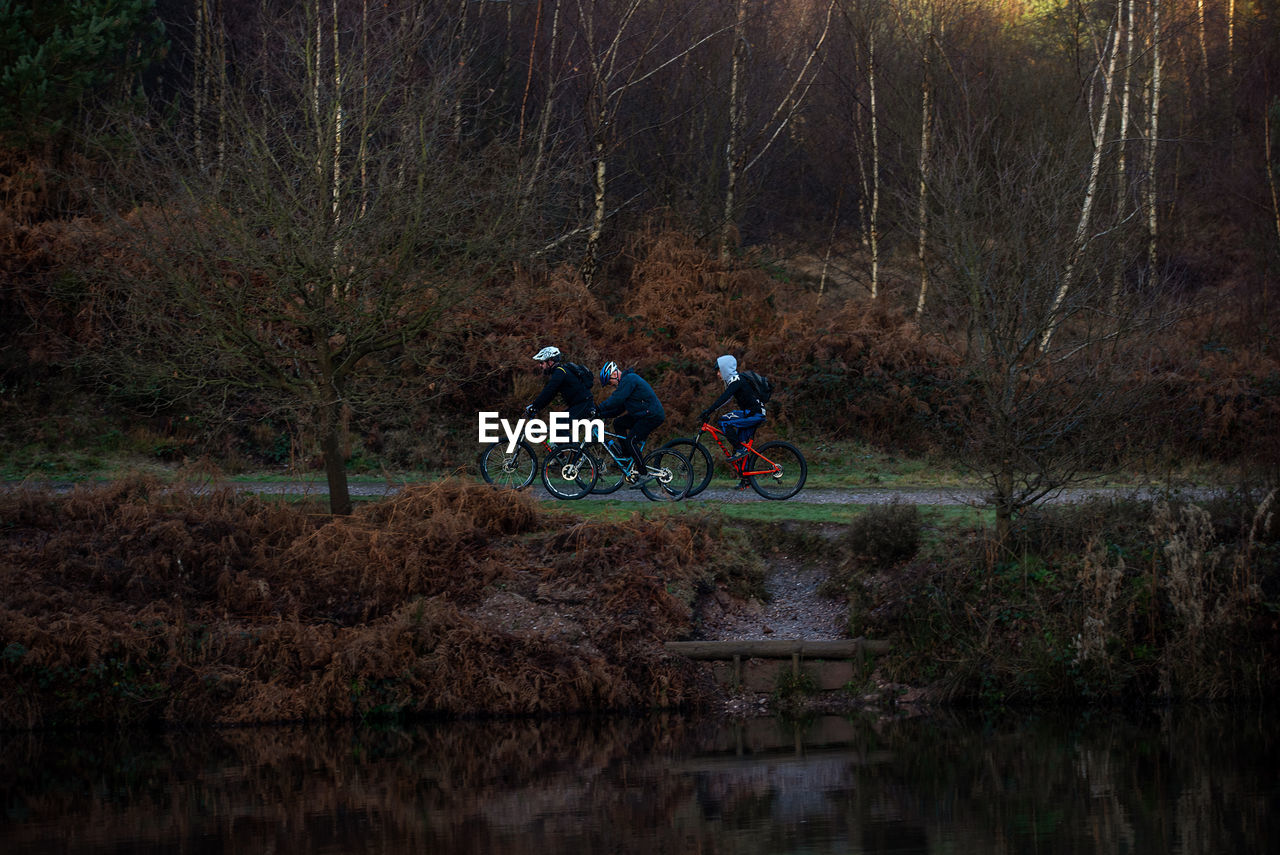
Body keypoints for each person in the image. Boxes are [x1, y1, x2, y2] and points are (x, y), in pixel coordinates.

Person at [698, 354, 766, 490]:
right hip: (751, 414)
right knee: (741, 443)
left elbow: (724, 398)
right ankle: (746, 480)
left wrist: (708, 411)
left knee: (724, 422)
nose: (718, 374)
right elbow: (726, 399)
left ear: (725, 369)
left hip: (755, 414)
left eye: (719, 371)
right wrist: (710, 410)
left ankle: (740, 450)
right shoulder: (734, 381)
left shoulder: (736, 380)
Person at [597, 360, 665, 485]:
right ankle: (626, 457)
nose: (611, 385)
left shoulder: (629, 379)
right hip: (642, 414)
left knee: (631, 441)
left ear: (614, 374)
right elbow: (619, 409)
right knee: (618, 423)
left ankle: (643, 474)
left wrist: (599, 408)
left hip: (652, 415)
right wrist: (600, 414)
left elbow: (617, 399)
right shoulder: (625, 383)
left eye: (609, 381)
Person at [526, 346, 595, 423]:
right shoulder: (560, 372)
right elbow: (550, 396)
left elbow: (548, 390)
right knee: (558, 423)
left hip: (584, 405)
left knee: (560, 426)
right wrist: (536, 408)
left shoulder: (560, 372)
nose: (540, 366)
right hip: (579, 405)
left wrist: (534, 406)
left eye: (542, 362)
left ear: (550, 362)